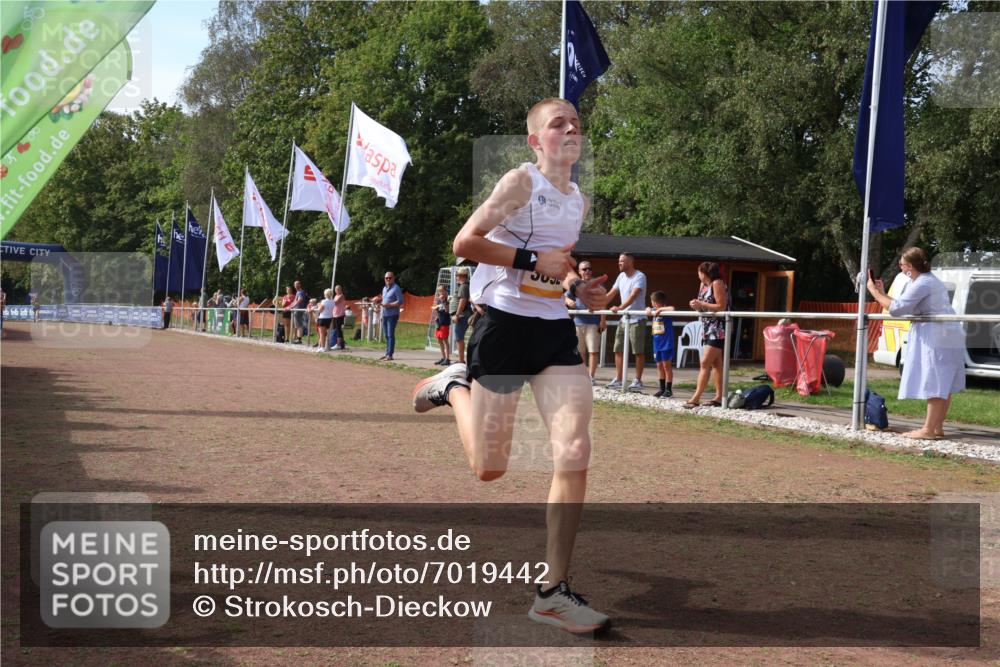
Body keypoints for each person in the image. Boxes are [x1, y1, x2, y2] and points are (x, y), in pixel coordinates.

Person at [411, 97, 611, 634]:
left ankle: (552, 592)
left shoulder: (577, 199)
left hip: (552, 332)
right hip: (501, 329)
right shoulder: (520, 183)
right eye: (557, 124)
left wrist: (576, 287)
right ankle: (454, 387)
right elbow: (465, 242)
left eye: (575, 123)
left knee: (575, 448)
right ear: (536, 141)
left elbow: (557, 257)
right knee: (489, 468)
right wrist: (527, 261)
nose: (569, 129)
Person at [866, 247, 965, 439]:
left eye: (901, 264)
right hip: (946, 333)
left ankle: (928, 430)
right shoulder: (927, 281)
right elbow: (903, 304)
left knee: (936, 381)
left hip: (937, 335)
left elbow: (896, 309)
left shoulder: (922, 283)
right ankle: (936, 427)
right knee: (943, 381)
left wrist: (873, 291)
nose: (900, 267)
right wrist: (882, 293)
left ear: (909, 266)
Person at [683, 261, 730, 408]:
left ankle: (696, 397)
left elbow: (721, 306)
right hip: (707, 327)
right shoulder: (703, 286)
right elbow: (704, 305)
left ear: (705, 273)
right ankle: (719, 396)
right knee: (716, 364)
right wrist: (696, 305)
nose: (698, 274)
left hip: (718, 328)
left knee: (705, 362)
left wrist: (701, 304)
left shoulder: (717, 283)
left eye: (699, 272)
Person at [605, 252, 648, 392]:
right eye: (619, 261)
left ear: (630, 262)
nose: (619, 263)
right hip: (624, 319)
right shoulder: (620, 276)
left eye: (622, 261)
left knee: (638, 351)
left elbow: (633, 295)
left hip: (637, 319)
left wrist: (620, 307)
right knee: (617, 348)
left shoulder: (639, 276)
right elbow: (611, 293)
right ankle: (618, 379)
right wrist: (598, 303)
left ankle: (638, 380)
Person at [564, 260, 605, 385]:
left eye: (589, 269)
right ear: (579, 272)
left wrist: (603, 320)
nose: (587, 271)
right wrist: (568, 301)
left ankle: (591, 377)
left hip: (593, 323)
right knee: (580, 351)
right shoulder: (574, 285)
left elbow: (603, 304)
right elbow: (564, 297)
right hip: (577, 323)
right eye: (584, 269)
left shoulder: (598, 286)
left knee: (593, 351)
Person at [645, 291, 676, 398]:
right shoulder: (654, 310)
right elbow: (647, 310)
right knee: (659, 365)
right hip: (656, 342)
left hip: (666, 342)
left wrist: (661, 309)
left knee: (666, 365)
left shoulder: (665, 310)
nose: (652, 304)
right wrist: (648, 309)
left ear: (660, 302)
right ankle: (662, 389)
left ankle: (669, 389)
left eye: (654, 302)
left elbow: (672, 308)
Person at [377, 271, 403, 361]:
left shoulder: (396, 288)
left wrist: (389, 305)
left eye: (390, 278)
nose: (388, 279)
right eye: (386, 278)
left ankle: (390, 354)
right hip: (385, 314)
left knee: (390, 334)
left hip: (393, 315)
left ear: (393, 278)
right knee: (386, 335)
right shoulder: (384, 288)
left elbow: (400, 301)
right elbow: (384, 301)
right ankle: (387, 353)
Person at [449, 267, 473, 364]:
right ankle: (461, 360)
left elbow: (463, 300)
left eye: (457, 276)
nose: (456, 278)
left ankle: (461, 360)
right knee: (459, 338)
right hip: (461, 315)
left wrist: (457, 314)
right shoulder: (463, 286)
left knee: (459, 338)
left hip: (462, 316)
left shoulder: (463, 286)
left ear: (461, 276)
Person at [432, 285, 452, 366]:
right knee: (439, 340)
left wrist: (444, 302)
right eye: (439, 291)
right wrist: (436, 310)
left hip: (445, 322)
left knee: (445, 340)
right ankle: (443, 357)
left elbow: (447, 311)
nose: (441, 293)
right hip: (439, 322)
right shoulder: (439, 300)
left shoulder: (448, 299)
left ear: (445, 291)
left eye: (442, 291)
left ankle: (447, 358)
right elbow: (438, 311)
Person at [331, 284, 348, 350]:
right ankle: (340, 344)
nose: (337, 290)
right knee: (336, 329)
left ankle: (339, 344)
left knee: (339, 330)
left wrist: (329, 300)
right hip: (335, 315)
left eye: (338, 289)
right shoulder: (335, 296)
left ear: (341, 289)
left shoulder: (341, 296)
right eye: (336, 289)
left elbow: (335, 302)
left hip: (340, 315)